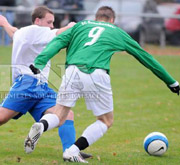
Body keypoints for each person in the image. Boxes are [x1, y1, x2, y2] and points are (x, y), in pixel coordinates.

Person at [24, 6, 180, 163]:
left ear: (96, 18)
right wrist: (171, 82)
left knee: (59, 115)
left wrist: (39, 62)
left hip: (72, 71)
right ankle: (72, 150)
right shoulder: (116, 31)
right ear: (112, 20)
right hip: (96, 73)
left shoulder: (80, 26)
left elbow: (57, 41)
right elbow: (144, 56)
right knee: (105, 120)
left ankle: (41, 126)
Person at [0, 6, 92, 160]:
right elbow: (59, 32)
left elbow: (13, 33)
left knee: (66, 114)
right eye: (49, 22)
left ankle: (70, 152)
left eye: (53, 23)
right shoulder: (37, 31)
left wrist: (4, 23)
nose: (51, 25)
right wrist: (73, 26)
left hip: (40, 87)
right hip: (28, 85)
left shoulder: (24, 32)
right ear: (37, 20)